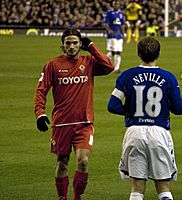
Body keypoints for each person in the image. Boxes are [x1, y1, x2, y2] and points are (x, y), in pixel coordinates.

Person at [34, 28, 114, 200]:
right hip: (61, 124)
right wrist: (40, 113)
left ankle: (77, 197)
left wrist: (92, 46)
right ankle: (62, 197)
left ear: (80, 44)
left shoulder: (89, 62)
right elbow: (41, 91)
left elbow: (109, 67)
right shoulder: (53, 65)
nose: (71, 46)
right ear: (62, 45)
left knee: (83, 161)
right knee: (62, 163)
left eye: (75, 42)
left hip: (84, 123)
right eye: (68, 43)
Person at [107, 37, 182, 200]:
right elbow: (179, 109)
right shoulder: (168, 77)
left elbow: (112, 105)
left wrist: (132, 111)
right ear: (158, 54)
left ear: (138, 54)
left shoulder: (127, 76)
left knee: (136, 188)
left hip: (134, 132)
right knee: (164, 188)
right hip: (159, 132)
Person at [103, 0, 126, 73]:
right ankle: (103, 64)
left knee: (118, 52)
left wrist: (123, 34)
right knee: (113, 52)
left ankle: (116, 69)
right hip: (112, 35)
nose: (116, 5)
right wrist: (109, 30)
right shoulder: (109, 13)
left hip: (119, 35)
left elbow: (122, 25)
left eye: (117, 4)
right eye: (115, 4)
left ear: (119, 5)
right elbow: (105, 23)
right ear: (113, 5)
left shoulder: (121, 13)